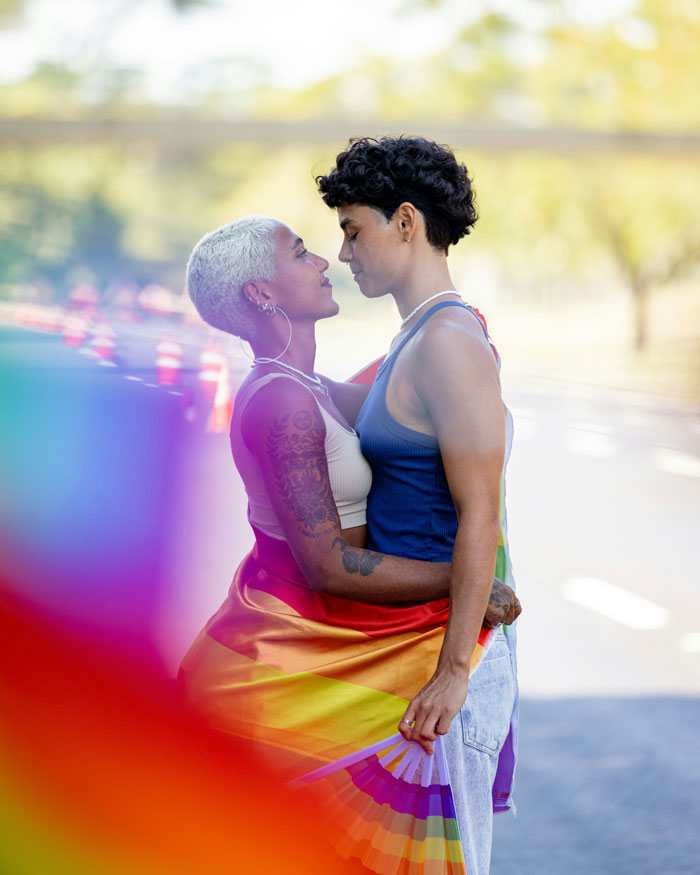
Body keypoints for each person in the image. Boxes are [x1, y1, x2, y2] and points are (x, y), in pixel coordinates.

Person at [177, 215, 520, 787]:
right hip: (289, 658)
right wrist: (468, 581)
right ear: (260, 293)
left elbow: (418, 407)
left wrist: (451, 324)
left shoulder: (310, 386)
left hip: (333, 648)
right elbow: (329, 566)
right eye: (301, 252)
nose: (324, 261)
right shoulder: (281, 401)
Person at [316, 136, 519, 875]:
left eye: (351, 228)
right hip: (406, 648)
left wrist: (455, 672)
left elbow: (481, 510)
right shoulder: (417, 335)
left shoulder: (448, 342)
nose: (343, 252)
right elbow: (348, 405)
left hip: (444, 656)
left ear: (406, 222)